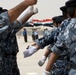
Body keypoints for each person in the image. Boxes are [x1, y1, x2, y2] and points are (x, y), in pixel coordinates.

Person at [0, 0, 38, 74]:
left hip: (11, 60)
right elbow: (8, 21)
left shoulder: (8, 29)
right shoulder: (4, 28)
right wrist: (26, 4)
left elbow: (18, 23)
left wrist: (30, 13)